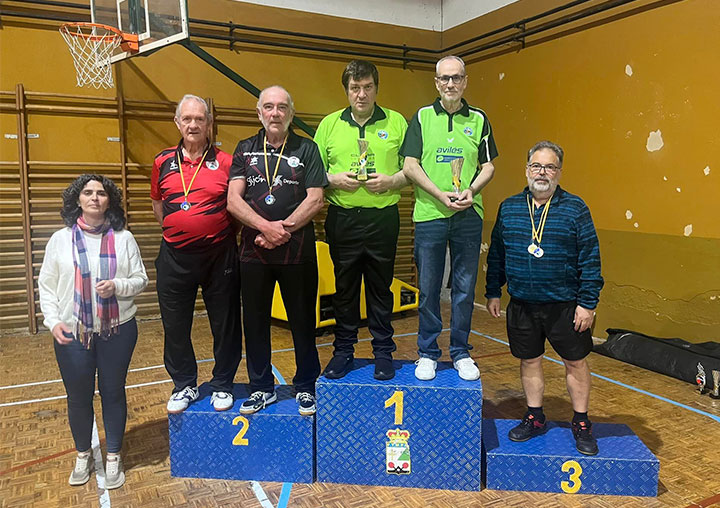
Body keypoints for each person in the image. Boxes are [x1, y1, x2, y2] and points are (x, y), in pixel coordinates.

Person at [485, 140, 604, 455]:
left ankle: (581, 423)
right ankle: (534, 416)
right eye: (537, 166)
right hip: (522, 304)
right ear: (526, 170)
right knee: (530, 360)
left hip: (565, 306)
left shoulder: (575, 208)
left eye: (550, 166)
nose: (542, 172)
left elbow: (590, 259)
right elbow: (496, 253)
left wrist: (587, 303)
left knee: (575, 362)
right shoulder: (509, 207)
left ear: (559, 172)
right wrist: (493, 291)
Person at [38, 174, 148, 489]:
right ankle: (83, 454)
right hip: (72, 334)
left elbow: (140, 279)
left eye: (101, 193)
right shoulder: (60, 239)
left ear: (109, 200)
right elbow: (46, 285)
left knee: (113, 392)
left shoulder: (124, 238)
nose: (95, 198)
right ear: (78, 200)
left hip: (118, 330)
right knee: (78, 397)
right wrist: (53, 320)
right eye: (88, 193)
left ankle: (113, 456)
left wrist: (118, 286)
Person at [227, 85, 326, 416]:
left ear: (291, 113)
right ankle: (260, 388)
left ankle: (306, 386)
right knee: (254, 322)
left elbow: (315, 199)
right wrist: (264, 227)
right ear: (259, 113)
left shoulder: (307, 149)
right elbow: (233, 200)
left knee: (302, 322)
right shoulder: (245, 149)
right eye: (268, 107)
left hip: (297, 252)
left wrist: (279, 230)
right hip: (253, 252)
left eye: (282, 107)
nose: (275, 113)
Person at [401, 55, 498, 381]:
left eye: (456, 78)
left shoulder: (480, 119)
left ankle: (460, 352)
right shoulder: (422, 117)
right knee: (428, 288)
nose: (451, 84)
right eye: (444, 78)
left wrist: (470, 190)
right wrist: (440, 195)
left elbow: (488, 166)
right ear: (436, 82)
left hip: (469, 214)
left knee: (464, 288)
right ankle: (428, 352)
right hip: (430, 214)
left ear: (465, 81)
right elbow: (410, 165)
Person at [313, 60, 408, 381]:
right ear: (346, 90)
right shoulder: (329, 125)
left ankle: (383, 353)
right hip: (343, 219)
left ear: (376, 88)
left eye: (367, 87)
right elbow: (314, 173)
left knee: (382, 288)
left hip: (384, 218)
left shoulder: (397, 123)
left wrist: (392, 181)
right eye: (355, 88)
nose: (362, 94)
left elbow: (412, 169)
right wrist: (334, 179)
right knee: (345, 289)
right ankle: (343, 352)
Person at [151, 94, 242, 414]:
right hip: (175, 257)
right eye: (186, 119)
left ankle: (223, 384)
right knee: (175, 325)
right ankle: (184, 384)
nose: (193, 124)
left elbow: (237, 206)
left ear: (209, 124)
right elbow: (158, 205)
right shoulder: (162, 161)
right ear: (177, 123)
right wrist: (181, 229)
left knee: (226, 323)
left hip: (220, 255)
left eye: (199, 119)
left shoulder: (228, 162)